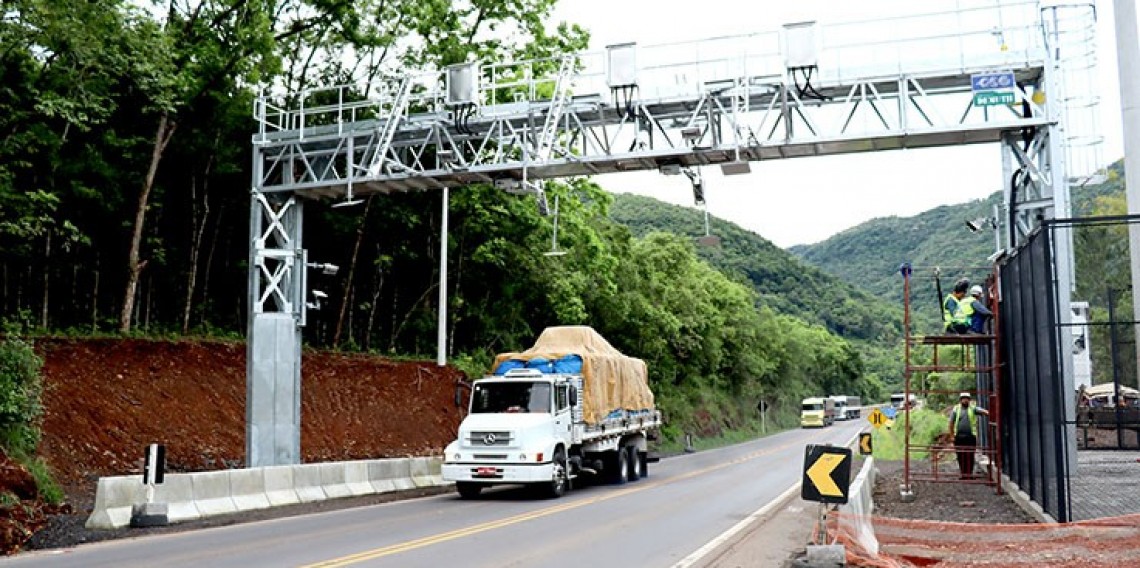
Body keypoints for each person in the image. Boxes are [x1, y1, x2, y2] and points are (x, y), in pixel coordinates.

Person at [948, 392, 990, 479]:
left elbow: (983, 411)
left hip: (970, 437)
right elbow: (951, 423)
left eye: (967, 399)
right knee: (960, 455)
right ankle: (963, 474)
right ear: (960, 400)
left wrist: (989, 413)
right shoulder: (956, 409)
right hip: (959, 437)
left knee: (970, 455)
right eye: (963, 398)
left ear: (969, 400)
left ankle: (969, 474)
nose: (965, 400)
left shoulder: (973, 409)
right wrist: (952, 436)